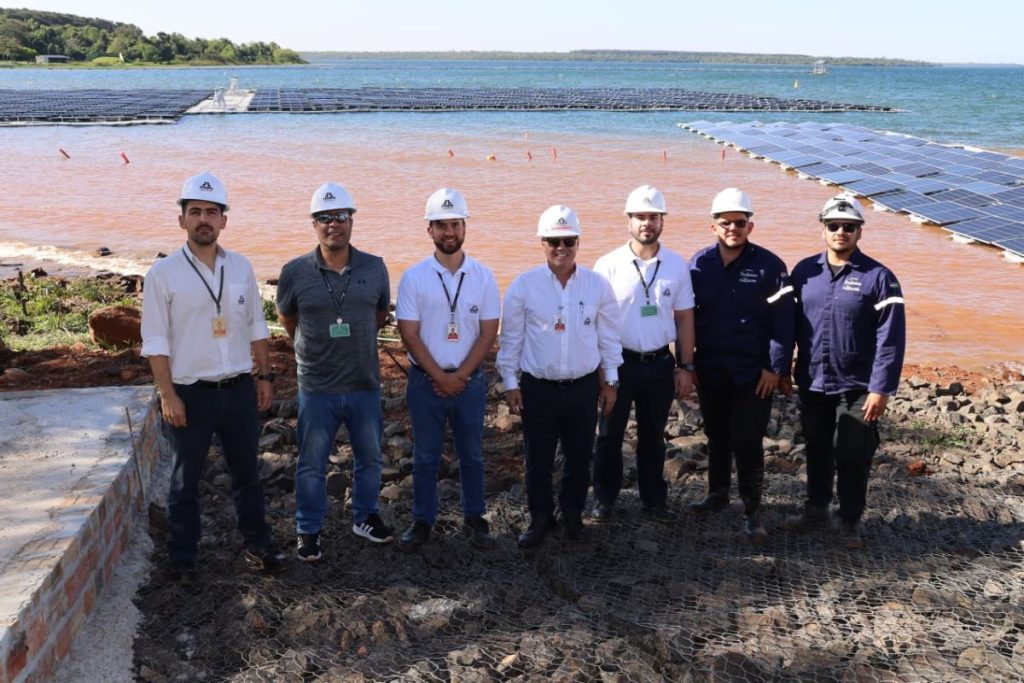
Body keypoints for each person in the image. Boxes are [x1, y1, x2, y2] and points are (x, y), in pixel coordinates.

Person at [141, 171, 283, 583]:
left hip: (238, 390)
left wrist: (265, 376)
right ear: (182, 219)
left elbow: (256, 325)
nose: (204, 219)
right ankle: (183, 558)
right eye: (195, 211)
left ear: (224, 220)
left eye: (211, 212)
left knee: (247, 475)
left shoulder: (241, 267)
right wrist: (167, 394)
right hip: (190, 394)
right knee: (185, 480)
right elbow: (156, 340)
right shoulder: (162, 274)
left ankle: (258, 545)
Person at [276, 182, 393, 562]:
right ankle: (308, 529)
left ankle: (365, 517)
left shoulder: (374, 267)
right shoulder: (294, 272)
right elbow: (287, 318)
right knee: (311, 463)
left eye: (340, 216)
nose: (333, 224)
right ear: (314, 223)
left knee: (370, 459)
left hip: (364, 383)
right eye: (324, 217)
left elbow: (379, 315)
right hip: (317, 386)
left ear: (352, 220)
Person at [497, 205, 623, 548]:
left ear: (578, 242)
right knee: (537, 460)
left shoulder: (597, 286)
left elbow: (608, 338)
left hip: (583, 387)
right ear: (543, 243)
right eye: (554, 241)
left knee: (579, 457)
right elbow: (511, 340)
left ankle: (572, 515)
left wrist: (610, 381)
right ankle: (540, 518)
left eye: (568, 241)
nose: (561, 248)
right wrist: (510, 383)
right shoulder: (524, 286)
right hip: (538, 388)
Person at [786, 193, 906, 549]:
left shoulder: (879, 277)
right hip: (813, 380)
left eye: (849, 227)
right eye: (834, 225)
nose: (841, 232)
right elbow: (787, 325)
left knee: (853, 453)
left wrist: (881, 388)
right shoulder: (804, 272)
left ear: (859, 232)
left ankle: (850, 519)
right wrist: (779, 369)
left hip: (858, 385)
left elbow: (891, 337)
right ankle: (816, 509)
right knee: (817, 447)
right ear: (822, 229)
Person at [686, 188, 795, 544]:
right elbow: (685, 317)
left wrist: (775, 368)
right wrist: (686, 363)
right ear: (713, 227)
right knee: (717, 434)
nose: (732, 228)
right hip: (711, 368)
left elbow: (784, 323)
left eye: (739, 222)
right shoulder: (698, 265)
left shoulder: (770, 266)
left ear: (750, 226)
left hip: (753, 374)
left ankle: (752, 510)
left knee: (748, 440)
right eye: (725, 223)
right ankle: (717, 493)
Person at [395, 188, 500, 550]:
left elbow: (488, 332)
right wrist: (440, 377)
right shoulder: (414, 277)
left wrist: (461, 376)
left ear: (465, 226)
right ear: (430, 230)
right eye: (441, 225)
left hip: (469, 382)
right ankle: (422, 521)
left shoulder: (483, 276)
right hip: (425, 382)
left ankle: (475, 518)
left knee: (472, 455)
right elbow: (409, 334)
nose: (449, 232)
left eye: (455, 224)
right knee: (425, 457)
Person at [591, 185, 695, 522]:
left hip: (660, 363)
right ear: (629, 220)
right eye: (640, 217)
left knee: (654, 436)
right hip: (618, 363)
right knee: (609, 435)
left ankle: (654, 501)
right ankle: (604, 499)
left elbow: (684, 318)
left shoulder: (676, 265)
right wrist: (602, 371)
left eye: (653, 216)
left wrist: (686, 366)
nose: (646, 223)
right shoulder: (608, 265)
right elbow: (596, 321)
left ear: (662, 220)